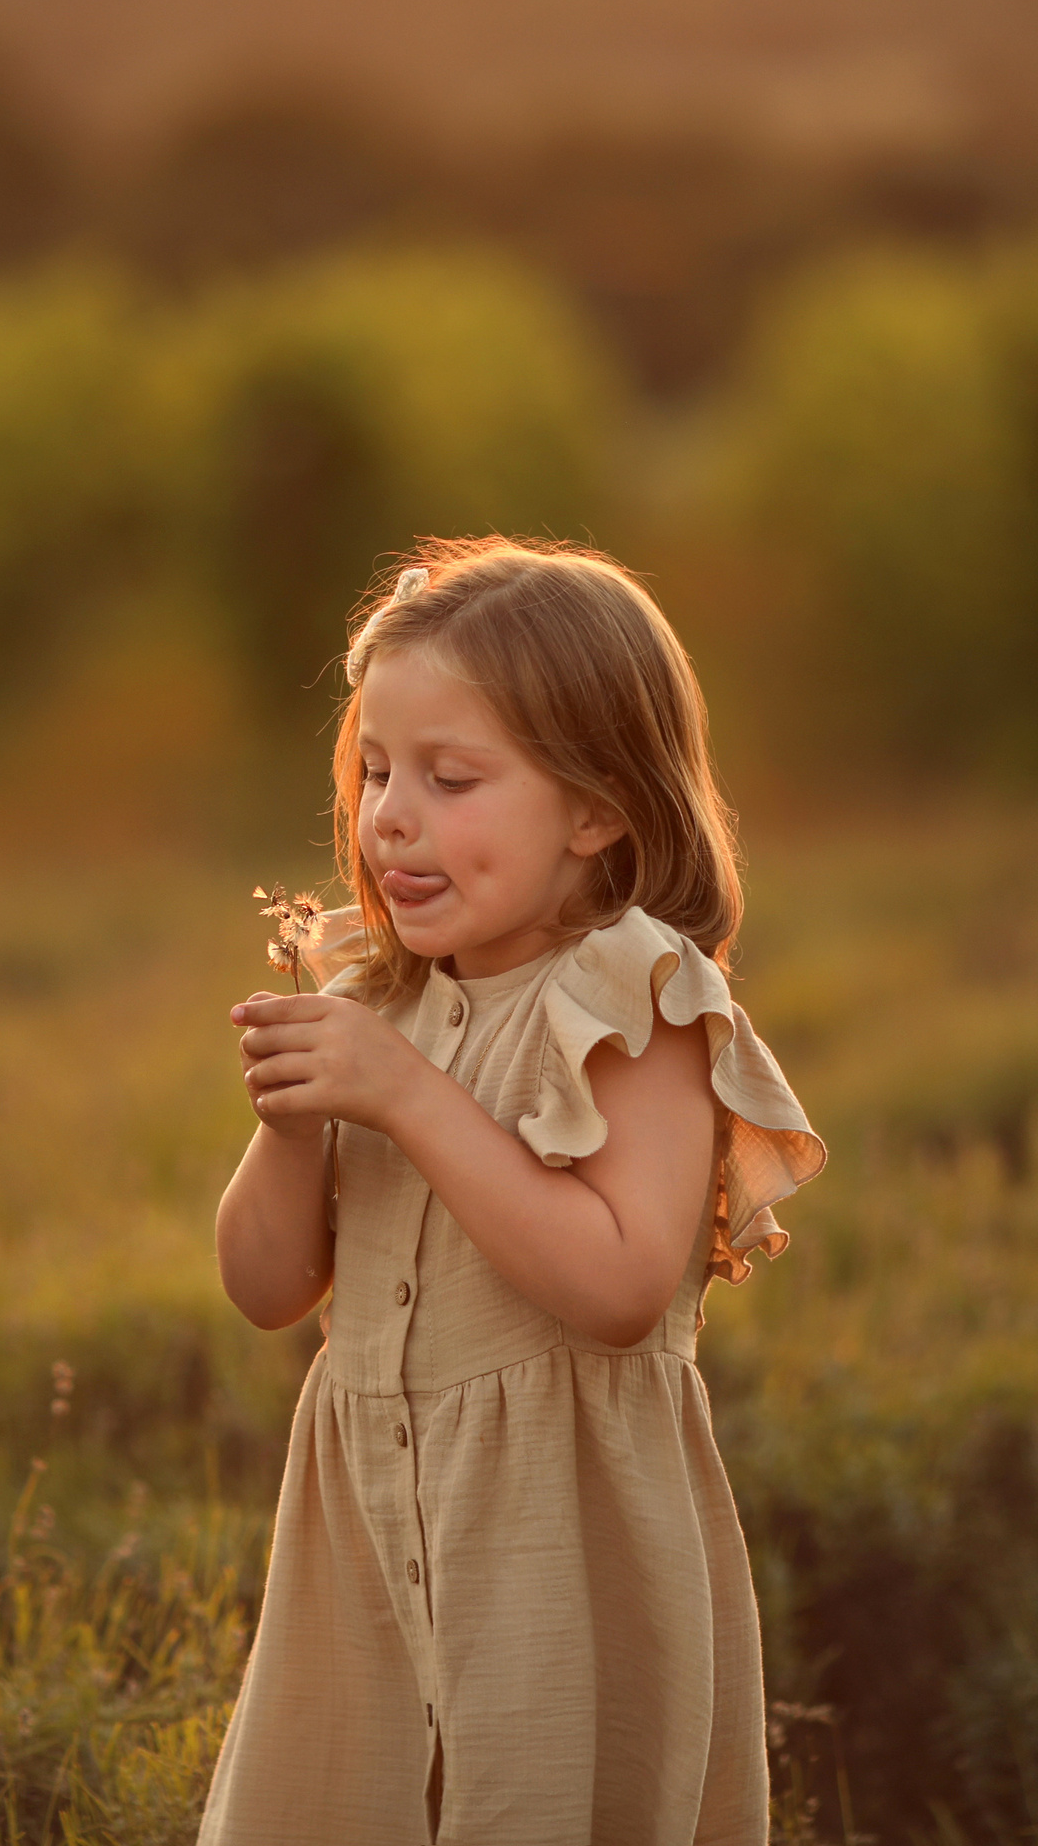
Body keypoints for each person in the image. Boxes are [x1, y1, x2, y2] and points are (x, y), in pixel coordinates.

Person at [202, 538, 826, 1845]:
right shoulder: (377, 995)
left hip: (560, 1545)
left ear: (596, 809)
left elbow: (616, 1286)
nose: (392, 817)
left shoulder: (635, 999)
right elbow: (266, 1288)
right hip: (372, 1537)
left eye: (452, 779)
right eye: (375, 772)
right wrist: (297, 1124)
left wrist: (411, 1100)